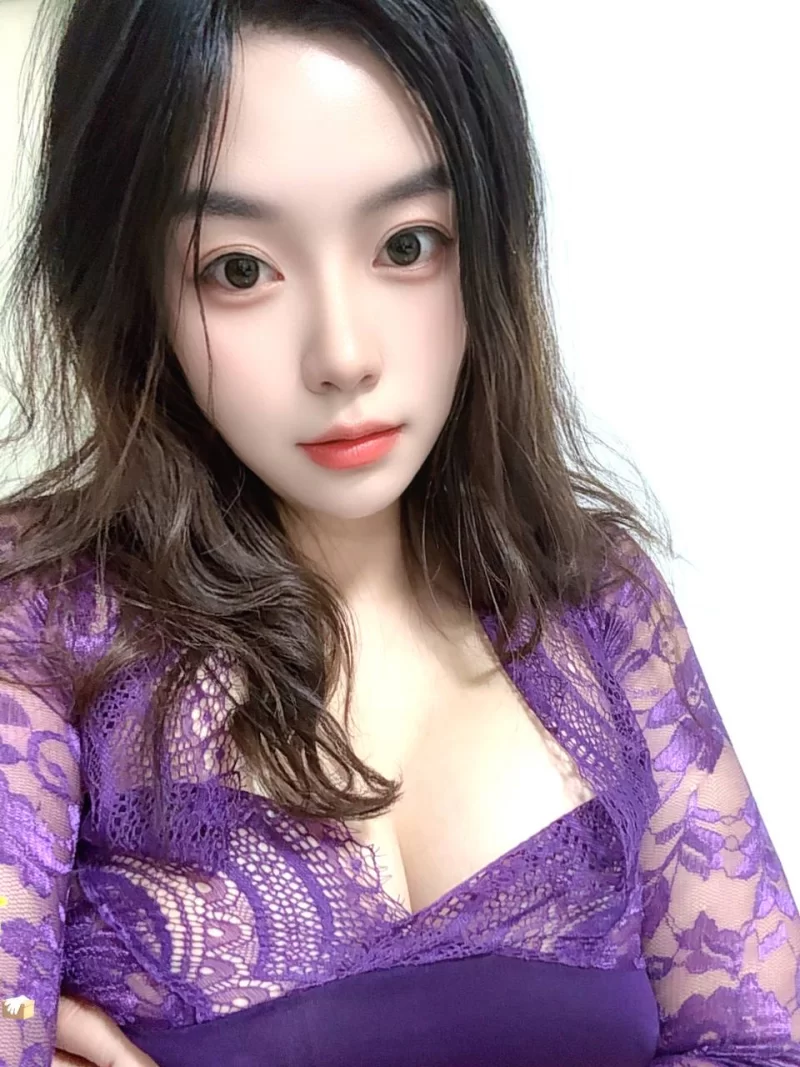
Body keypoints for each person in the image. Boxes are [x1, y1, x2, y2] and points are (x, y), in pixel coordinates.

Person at [0, 0, 798, 1064]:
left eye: (406, 244)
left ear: (489, 247)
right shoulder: (36, 621)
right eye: (237, 268)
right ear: (134, 286)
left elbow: (759, 1041)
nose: (342, 353)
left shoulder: (596, 598)